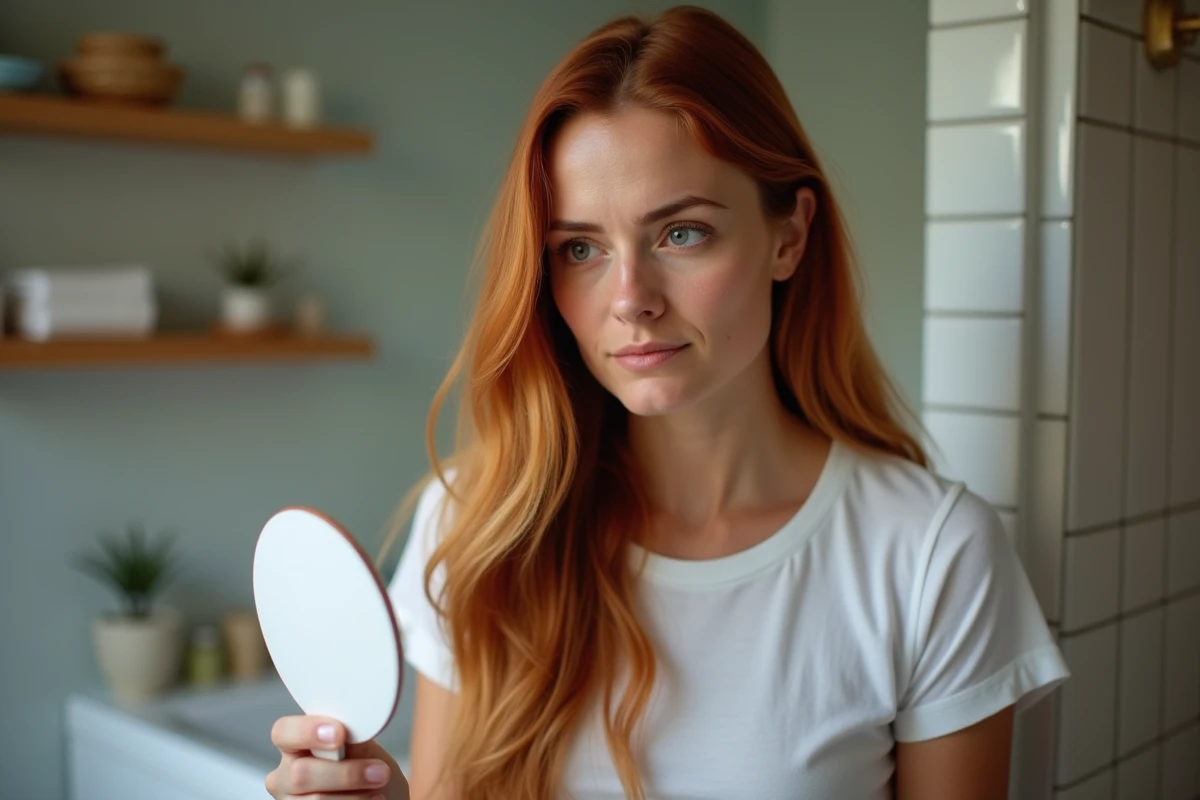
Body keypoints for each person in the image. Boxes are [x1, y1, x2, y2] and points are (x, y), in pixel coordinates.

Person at [265, 5, 1069, 799]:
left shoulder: (930, 557)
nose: (630, 299)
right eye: (581, 248)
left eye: (681, 233)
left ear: (789, 236)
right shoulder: (479, 522)